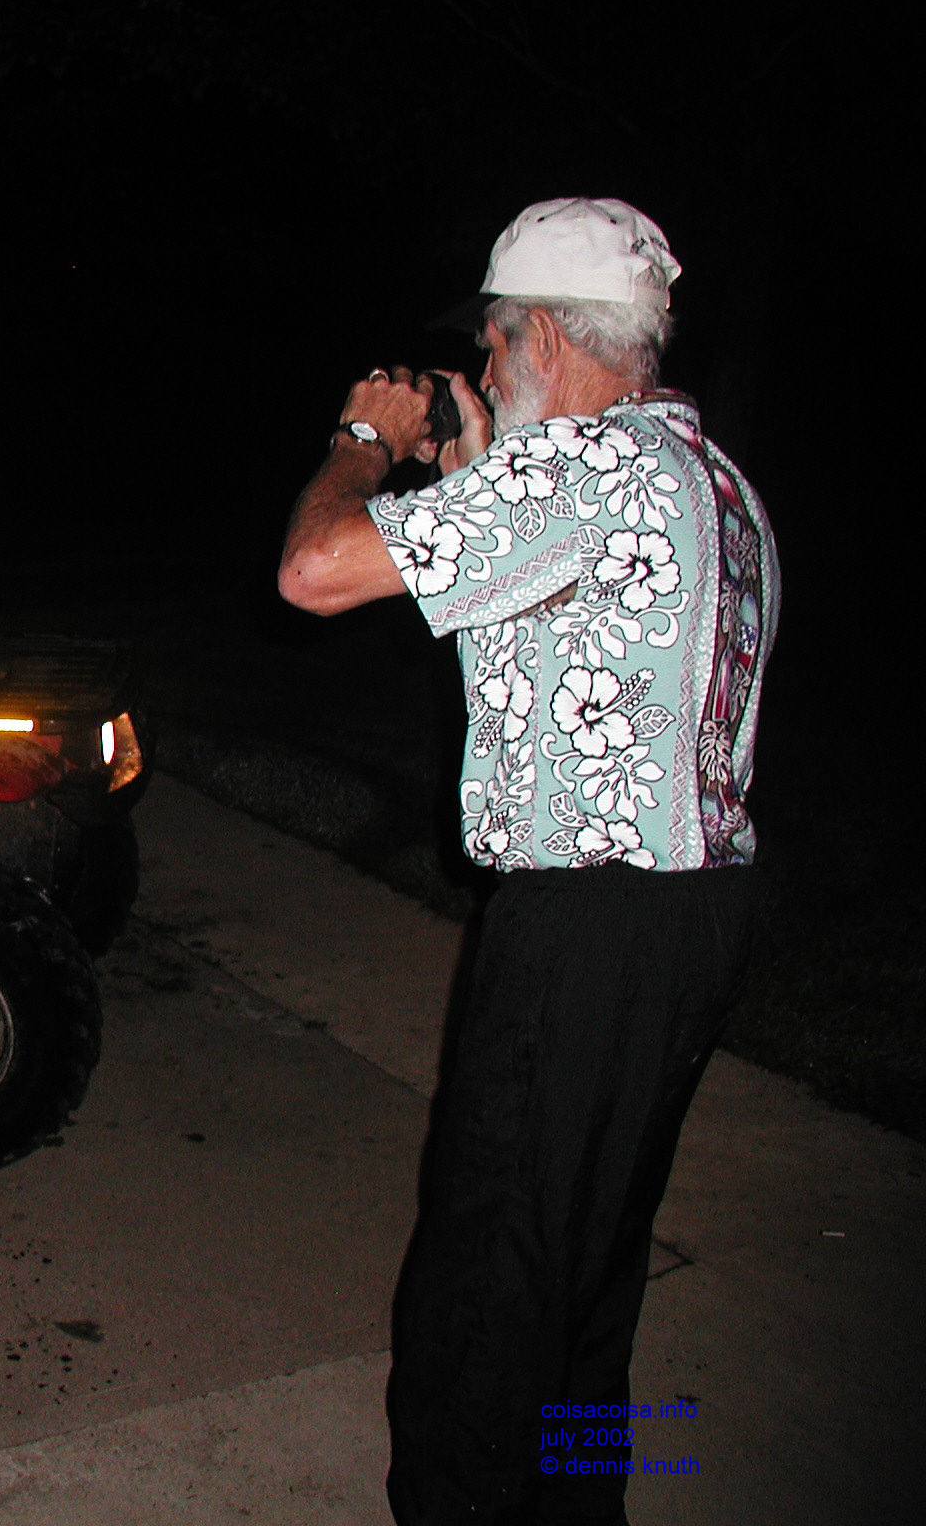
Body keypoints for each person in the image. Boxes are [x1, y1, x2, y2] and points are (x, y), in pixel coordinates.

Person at [279, 199, 778, 1525]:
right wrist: (477, 460)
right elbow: (525, 622)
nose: (486, 367)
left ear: (547, 334)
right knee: (588, 1262)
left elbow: (316, 572)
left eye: (496, 342)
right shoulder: (708, 478)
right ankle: (585, 1499)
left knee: (488, 1279)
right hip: (694, 922)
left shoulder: (584, 472)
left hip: (587, 931)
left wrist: (363, 444)